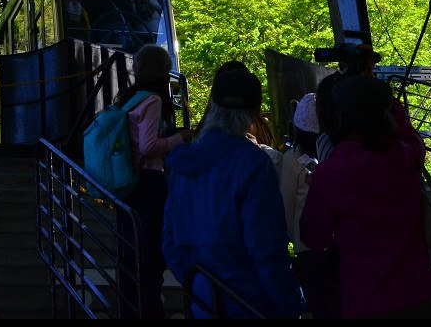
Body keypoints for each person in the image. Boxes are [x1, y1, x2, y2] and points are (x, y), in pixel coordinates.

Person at [162, 66, 304, 319]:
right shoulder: (255, 164)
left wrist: (198, 286)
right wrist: (290, 304)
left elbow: (170, 243)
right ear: (254, 113)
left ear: (213, 106)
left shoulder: (181, 165)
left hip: (203, 302)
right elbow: (267, 248)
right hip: (250, 304)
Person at [300, 75, 431, 319]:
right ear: (385, 112)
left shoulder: (332, 173)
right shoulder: (408, 156)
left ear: (341, 116)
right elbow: (411, 134)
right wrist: (380, 93)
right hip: (419, 296)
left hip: (368, 301)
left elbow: (313, 237)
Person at [115, 45, 192, 319]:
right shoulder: (153, 100)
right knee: (151, 253)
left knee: (131, 252)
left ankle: (130, 308)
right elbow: (148, 146)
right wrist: (179, 138)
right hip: (149, 180)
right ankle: (150, 309)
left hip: (130, 183)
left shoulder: (128, 98)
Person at [280, 93, 340, 318]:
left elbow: (287, 202)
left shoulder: (292, 158)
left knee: (320, 305)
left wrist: (291, 238)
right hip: (341, 243)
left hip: (308, 246)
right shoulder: (338, 154)